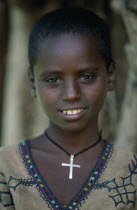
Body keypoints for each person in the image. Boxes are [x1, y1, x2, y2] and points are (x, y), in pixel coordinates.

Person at [0, 7, 137, 210]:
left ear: (110, 76)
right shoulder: (5, 166)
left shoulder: (130, 172)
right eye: (53, 79)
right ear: (32, 82)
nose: (72, 94)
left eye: (86, 77)